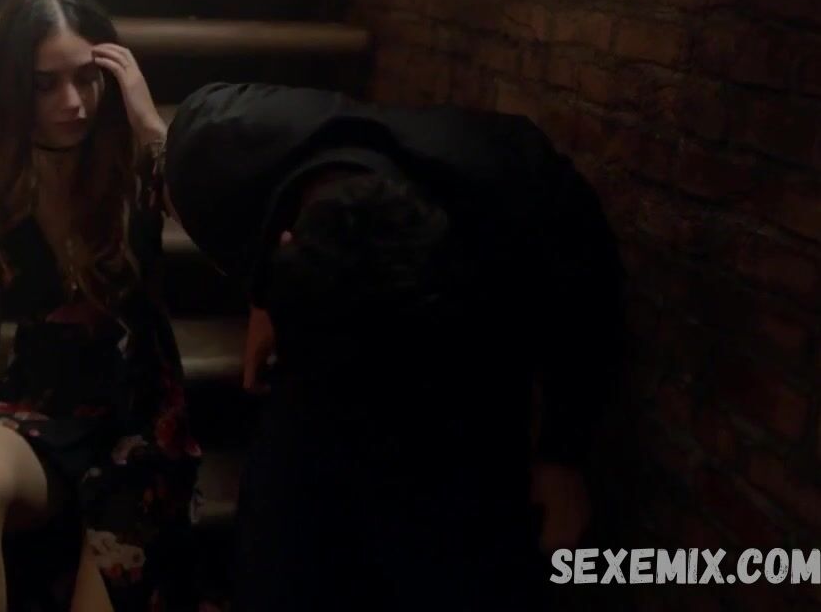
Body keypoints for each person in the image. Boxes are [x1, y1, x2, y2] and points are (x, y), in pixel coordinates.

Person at [160, 81, 626, 610]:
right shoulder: (213, 142)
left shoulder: (520, 189)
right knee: (282, 545)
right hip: (320, 370)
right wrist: (264, 297)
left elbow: (590, 295)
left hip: (460, 385)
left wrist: (563, 456)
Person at [0, 0, 203, 612]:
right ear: (12, 89)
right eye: (45, 84)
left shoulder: (137, 159)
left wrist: (152, 127)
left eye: (87, 78)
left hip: (140, 417)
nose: (73, 102)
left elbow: (213, 226)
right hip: (42, 401)